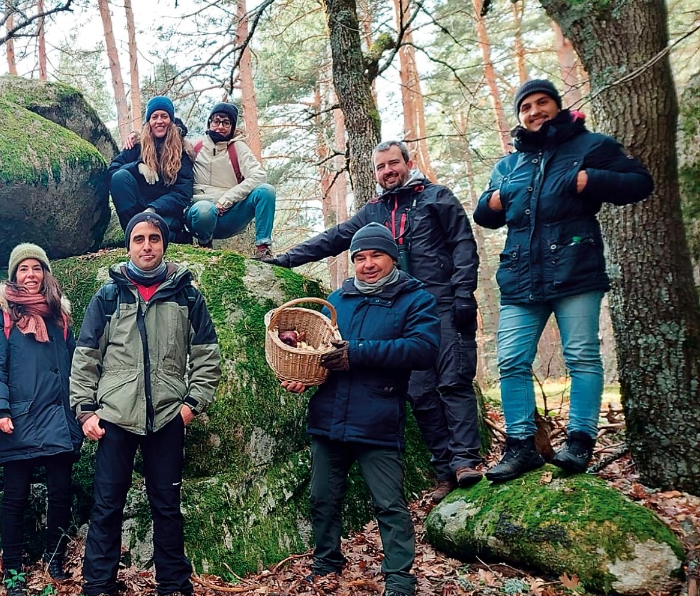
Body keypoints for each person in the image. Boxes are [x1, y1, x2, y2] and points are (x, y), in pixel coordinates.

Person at [266, 140, 483, 502]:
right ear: (375, 174)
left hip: (443, 303)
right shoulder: (374, 212)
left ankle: (466, 461)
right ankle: (445, 469)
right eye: (380, 167)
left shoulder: (437, 198)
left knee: (453, 381)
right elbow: (333, 239)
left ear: (408, 163)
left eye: (393, 164)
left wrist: (463, 294)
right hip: (399, 310)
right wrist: (286, 260)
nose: (387, 171)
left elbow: (463, 245)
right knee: (420, 394)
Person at [474, 79, 653, 482]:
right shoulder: (510, 163)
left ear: (557, 107)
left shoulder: (589, 146)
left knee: (582, 356)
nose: (534, 112)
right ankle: (520, 446)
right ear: (519, 116)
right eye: (526, 107)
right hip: (521, 276)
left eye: (542, 103)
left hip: (575, 269)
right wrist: (493, 200)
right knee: (510, 360)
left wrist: (592, 181)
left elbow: (640, 182)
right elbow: (484, 214)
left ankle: (579, 442)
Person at [281, 223, 439, 596]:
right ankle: (326, 563)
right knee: (322, 498)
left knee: (388, 503)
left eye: (376, 256)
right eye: (360, 257)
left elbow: (423, 349)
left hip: (378, 417)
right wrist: (306, 377)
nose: (367, 264)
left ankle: (399, 578)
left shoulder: (415, 299)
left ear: (392, 257)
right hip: (329, 415)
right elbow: (323, 353)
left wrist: (359, 352)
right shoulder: (340, 299)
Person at [71, 212, 222, 596]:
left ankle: (173, 585)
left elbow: (207, 357)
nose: (147, 246)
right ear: (129, 246)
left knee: (167, 506)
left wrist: (192, 404)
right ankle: (98, 586)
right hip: (116, 417)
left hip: (168, 416)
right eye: (139, 239)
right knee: (107, 506)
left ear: (164, 245)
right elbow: (86, 356)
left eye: (154, 238)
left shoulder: (186, 294)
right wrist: (85, 410)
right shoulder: (109, 295)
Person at [0, 244, 81, 596]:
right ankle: (12, 570)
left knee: (60, 493)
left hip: (57, 416)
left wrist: (80, 410)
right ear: (13, 275)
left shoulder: (60, 316)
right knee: (15, 497)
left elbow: (76, 368)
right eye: (23, 268)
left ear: (45, 273)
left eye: (36, 268)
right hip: (19, 417)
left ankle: (54, 558)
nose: (30, 274)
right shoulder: (1, 314)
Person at [185, 102, 276, 259]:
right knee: (205, 210)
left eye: (226, 123)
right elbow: (167, 150)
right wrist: (139, 139)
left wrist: (226, 200)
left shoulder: (237, 148)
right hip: (199, 214)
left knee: (266, 191)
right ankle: (205, 246)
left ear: (232, 127)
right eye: (216, 121)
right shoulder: (195, 147)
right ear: (209, 123)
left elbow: (259, 175)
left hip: (229, 215)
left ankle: (263, 248)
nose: (220, 126)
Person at [108, 96, 195, 242]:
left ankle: (173, 236)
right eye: (154, 117)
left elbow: (182, 193)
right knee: (119, 177)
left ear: (171, 120)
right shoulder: (136, 145)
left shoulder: (182, 151)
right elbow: (112, 171)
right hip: (136, 210)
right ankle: (133, 234)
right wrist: (137, 167)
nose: (159, 121)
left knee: (164, 234)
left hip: (165, 211)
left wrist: (153, 209)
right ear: (149, 121)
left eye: (164, 116)